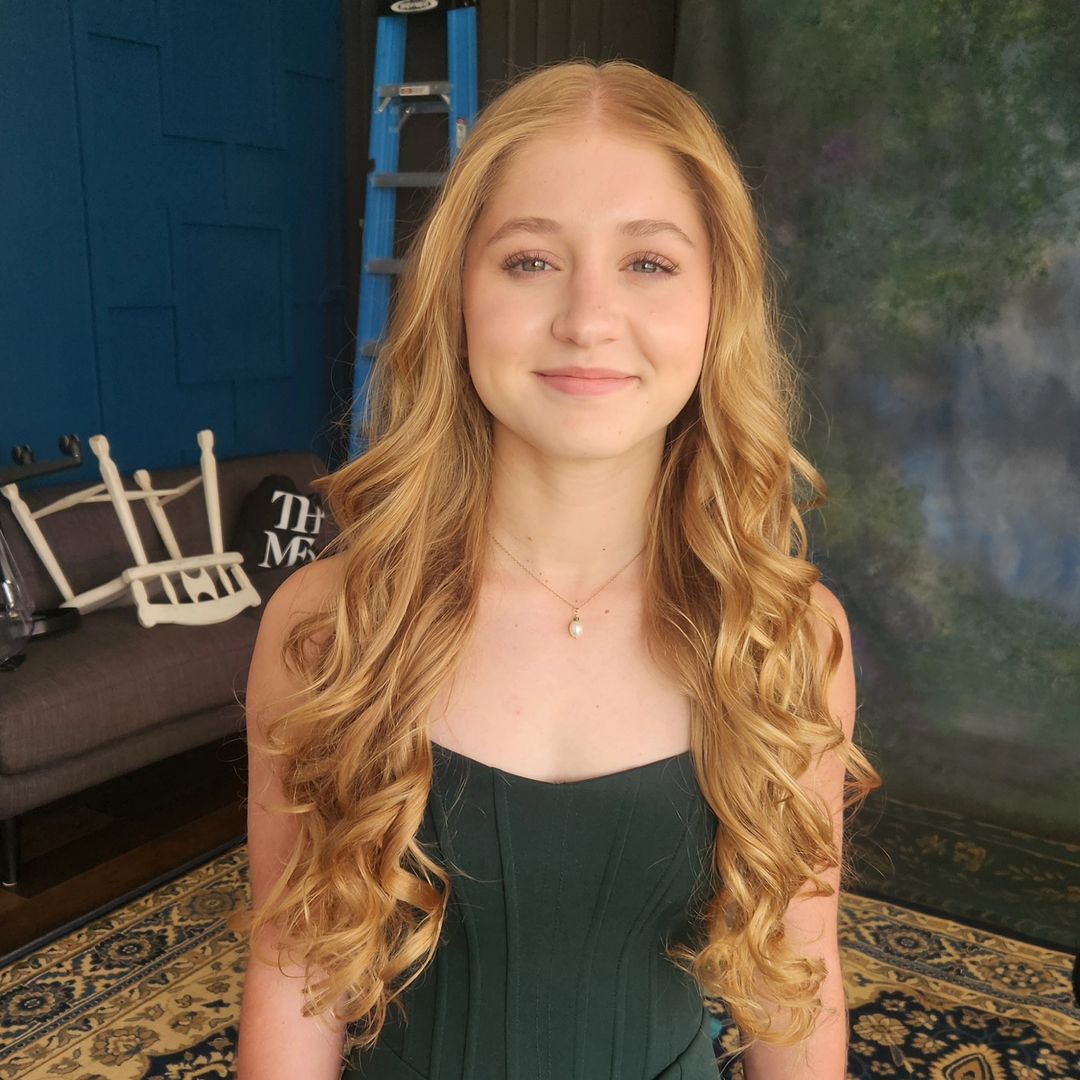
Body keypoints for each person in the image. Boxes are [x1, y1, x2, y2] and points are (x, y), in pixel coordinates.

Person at [235, 58, 881, 1080]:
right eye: (531, 260)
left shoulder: (788, 639)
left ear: (719, 305)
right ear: (457, 295)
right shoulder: (330, 628)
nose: (587, 318)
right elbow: (294, 967)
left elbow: (796, 986)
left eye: (649, 262)